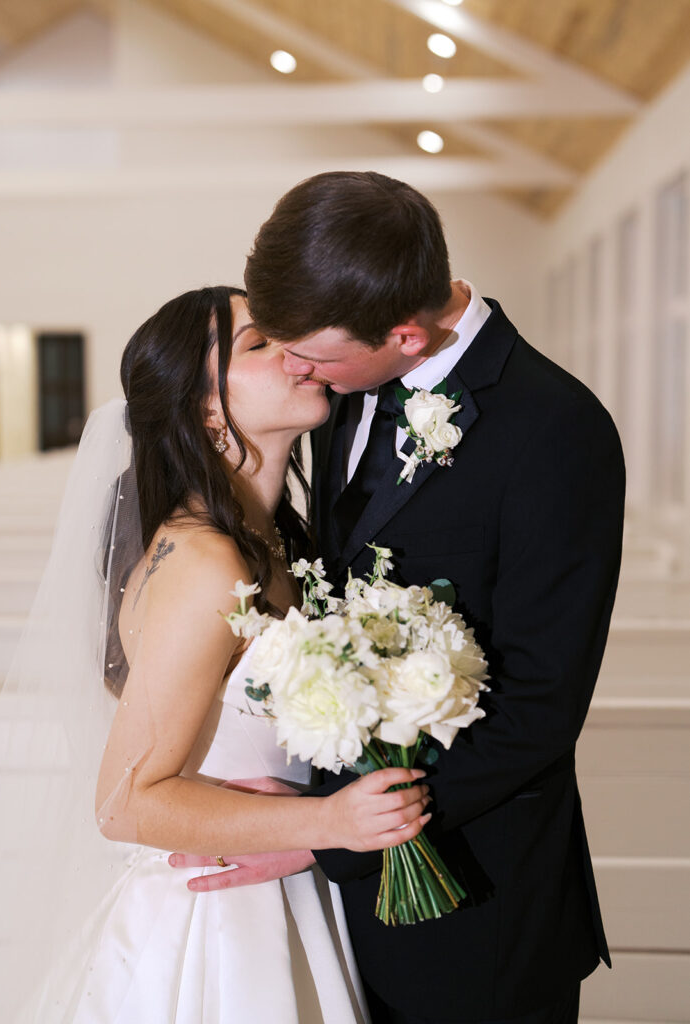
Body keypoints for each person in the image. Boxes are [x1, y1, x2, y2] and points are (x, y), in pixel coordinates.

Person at [172, 174, 626, 1024]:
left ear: (406, 335)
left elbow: (538, 706)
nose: (296, 371)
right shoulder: (346, 386)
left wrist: (328, 833)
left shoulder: (555, 430)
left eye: (314, 356)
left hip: (472, 898)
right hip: (333, 892)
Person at [0, 285, 431, 1024]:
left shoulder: (282, 547)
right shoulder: (203, 560)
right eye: (261, 345)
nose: (296, 355)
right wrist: (327, 825)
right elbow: (125, 801)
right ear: (206, 411)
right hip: (215, 930)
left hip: (280, 888)